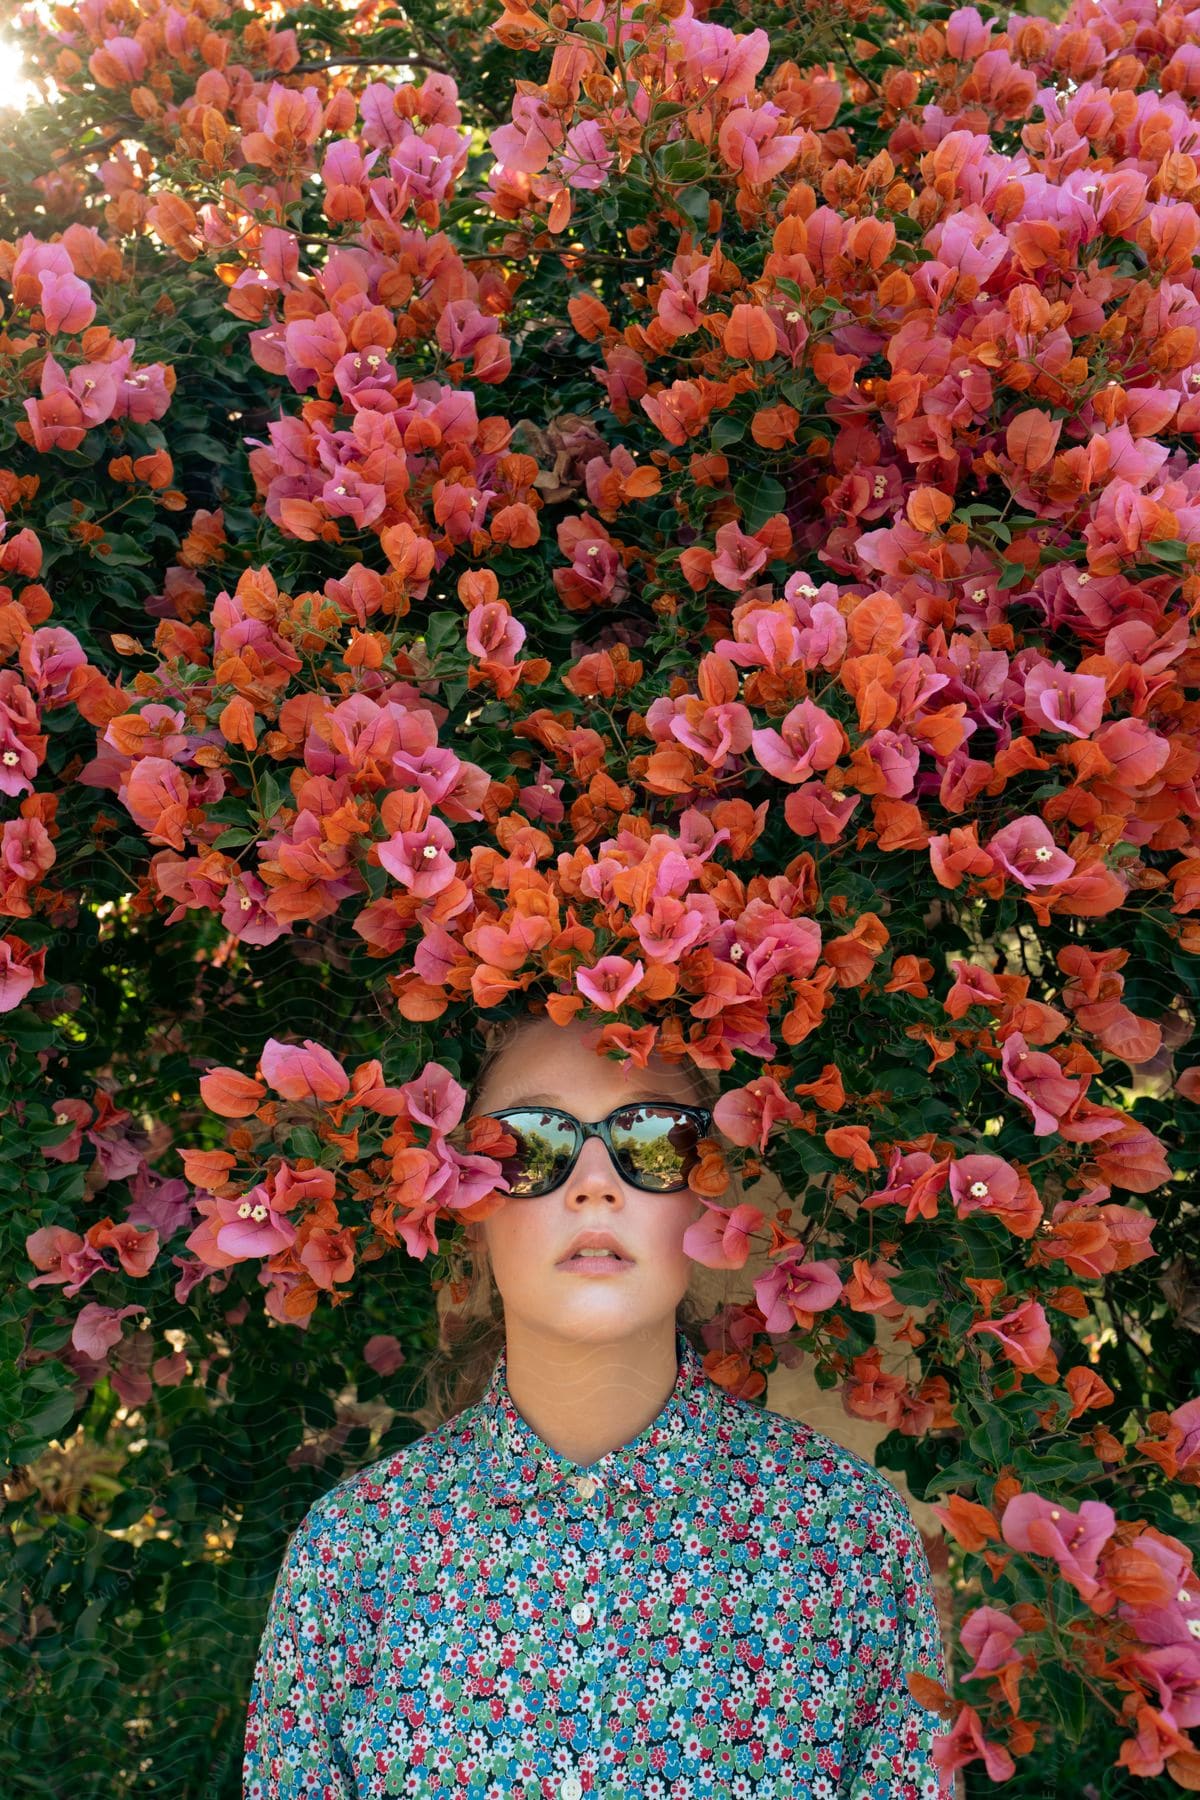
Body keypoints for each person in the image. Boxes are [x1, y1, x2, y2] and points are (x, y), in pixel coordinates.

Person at [243, 1012, 953, 1799]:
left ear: (705, 1198)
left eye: (652, 1137)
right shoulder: (352, 1554)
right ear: (466, 1204)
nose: (593, 1183)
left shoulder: (845, 1535)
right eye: (529, 1143)